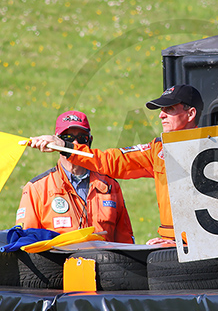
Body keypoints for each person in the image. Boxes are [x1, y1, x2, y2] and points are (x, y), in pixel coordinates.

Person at [27, 84, 203, 246]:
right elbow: (111, 161)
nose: (161, 115)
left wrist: (185, 242)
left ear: (191, 114)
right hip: (174, 242)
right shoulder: (157, 150)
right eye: (161, 109)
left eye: (169, 109)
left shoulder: (217, 146)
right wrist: (65, 147)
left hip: (204, 241)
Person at [16, 110, 134, 244]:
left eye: (82, 138)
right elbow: (26, 243)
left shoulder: (110, 186)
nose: (76, 143)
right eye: (68, 138)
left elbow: (126, 242)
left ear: (90, 141)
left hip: (104, 263)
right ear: (56, 142)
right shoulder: (36, 189)